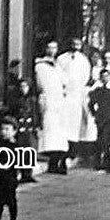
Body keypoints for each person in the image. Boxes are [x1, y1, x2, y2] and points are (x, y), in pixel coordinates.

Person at [35, 41, 71, 174]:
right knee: (49, 132)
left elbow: (65, 81)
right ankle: (52, 162)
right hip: (47, 101)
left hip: (59, 102)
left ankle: (56, 162)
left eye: (54, 48)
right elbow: (39, 84)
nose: (52, 50)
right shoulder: (39, 65)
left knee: (60, 134)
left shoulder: (58, 65)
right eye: (49, 47)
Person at [57, 37, 95, 164]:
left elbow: (85, 76)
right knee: (64, 122)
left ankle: (73, 150)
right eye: (74, 44)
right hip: (65, 94)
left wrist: (78, 87)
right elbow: (58, 73)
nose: (76, 46)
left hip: (77, 94)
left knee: (75, 123)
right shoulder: (62, 58)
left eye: (78, 44)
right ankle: (64, 150)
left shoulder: (84, 60)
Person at [3, 77, 40, 183]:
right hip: (20, 130)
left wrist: (36, 126)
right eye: (22, 86)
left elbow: (35, 114)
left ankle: (28, 174)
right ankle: (19, 173)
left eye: (26, 86)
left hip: (29, 130)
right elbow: (12, 114)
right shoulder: (15, 101)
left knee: (30, 152)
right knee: (19, 152)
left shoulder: (32, 100)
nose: (24, 89)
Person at [87, 66, 110, 171]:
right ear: (100, 78)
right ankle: (98, 162)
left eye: (106, 76)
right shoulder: (98, 91)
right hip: (102, 118)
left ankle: (108, 162)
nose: (105, 78)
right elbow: (91, 104)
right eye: (103, 76)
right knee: (100, 140)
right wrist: (95, 114)